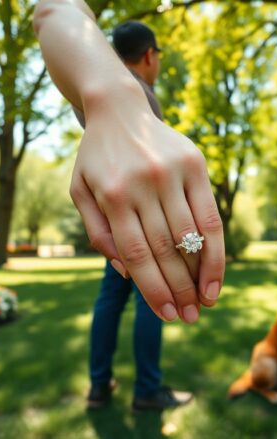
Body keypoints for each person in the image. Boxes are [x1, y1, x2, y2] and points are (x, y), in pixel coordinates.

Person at [34, 1, 220, 409]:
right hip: (139, 222)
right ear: (150, 55)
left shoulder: (88, 88)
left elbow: (51, 12)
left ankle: (99, 386)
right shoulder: (141, 96)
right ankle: (148, 389)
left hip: (111, 221)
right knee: (155, 299)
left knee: (109, 301)